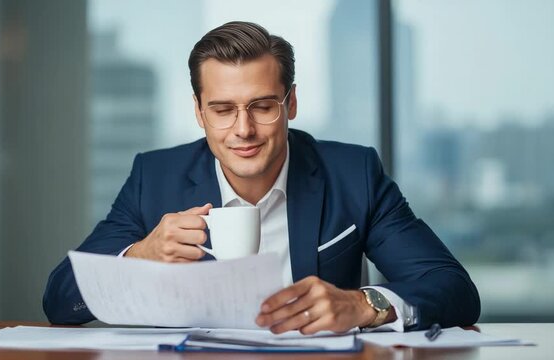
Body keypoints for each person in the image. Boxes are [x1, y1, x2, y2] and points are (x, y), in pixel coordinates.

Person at [43, 21, 480, 334]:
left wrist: (362, 304)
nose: (243, 130)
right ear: (199, 112)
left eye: (262, 106)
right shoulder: (154, 177)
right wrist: (139, 258)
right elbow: (60, 300)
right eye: (222, 109)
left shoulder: (353, 174)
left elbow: (454, 289)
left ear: (290, 104)